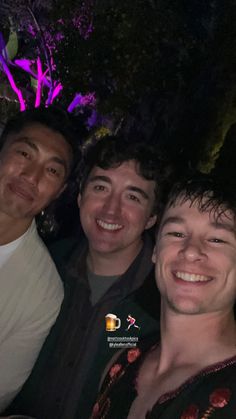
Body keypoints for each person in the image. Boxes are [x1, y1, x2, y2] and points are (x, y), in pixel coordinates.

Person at [7, 135, 168, 419]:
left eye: (132, 196)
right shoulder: (42, 269)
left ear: (152, 217)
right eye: (101, 187)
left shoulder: (165, 303)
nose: (111, 209)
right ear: (80, 196)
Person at [91, 173, 236, 418]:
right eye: (176, 233)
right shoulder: (120, 365)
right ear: (156, 250)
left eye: (216, 239)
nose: (191, 251)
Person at [0, 106, 78, 413]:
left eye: (52, 170)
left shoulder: (43, 293)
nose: (31, 177)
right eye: (24, 154)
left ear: (59, 192)